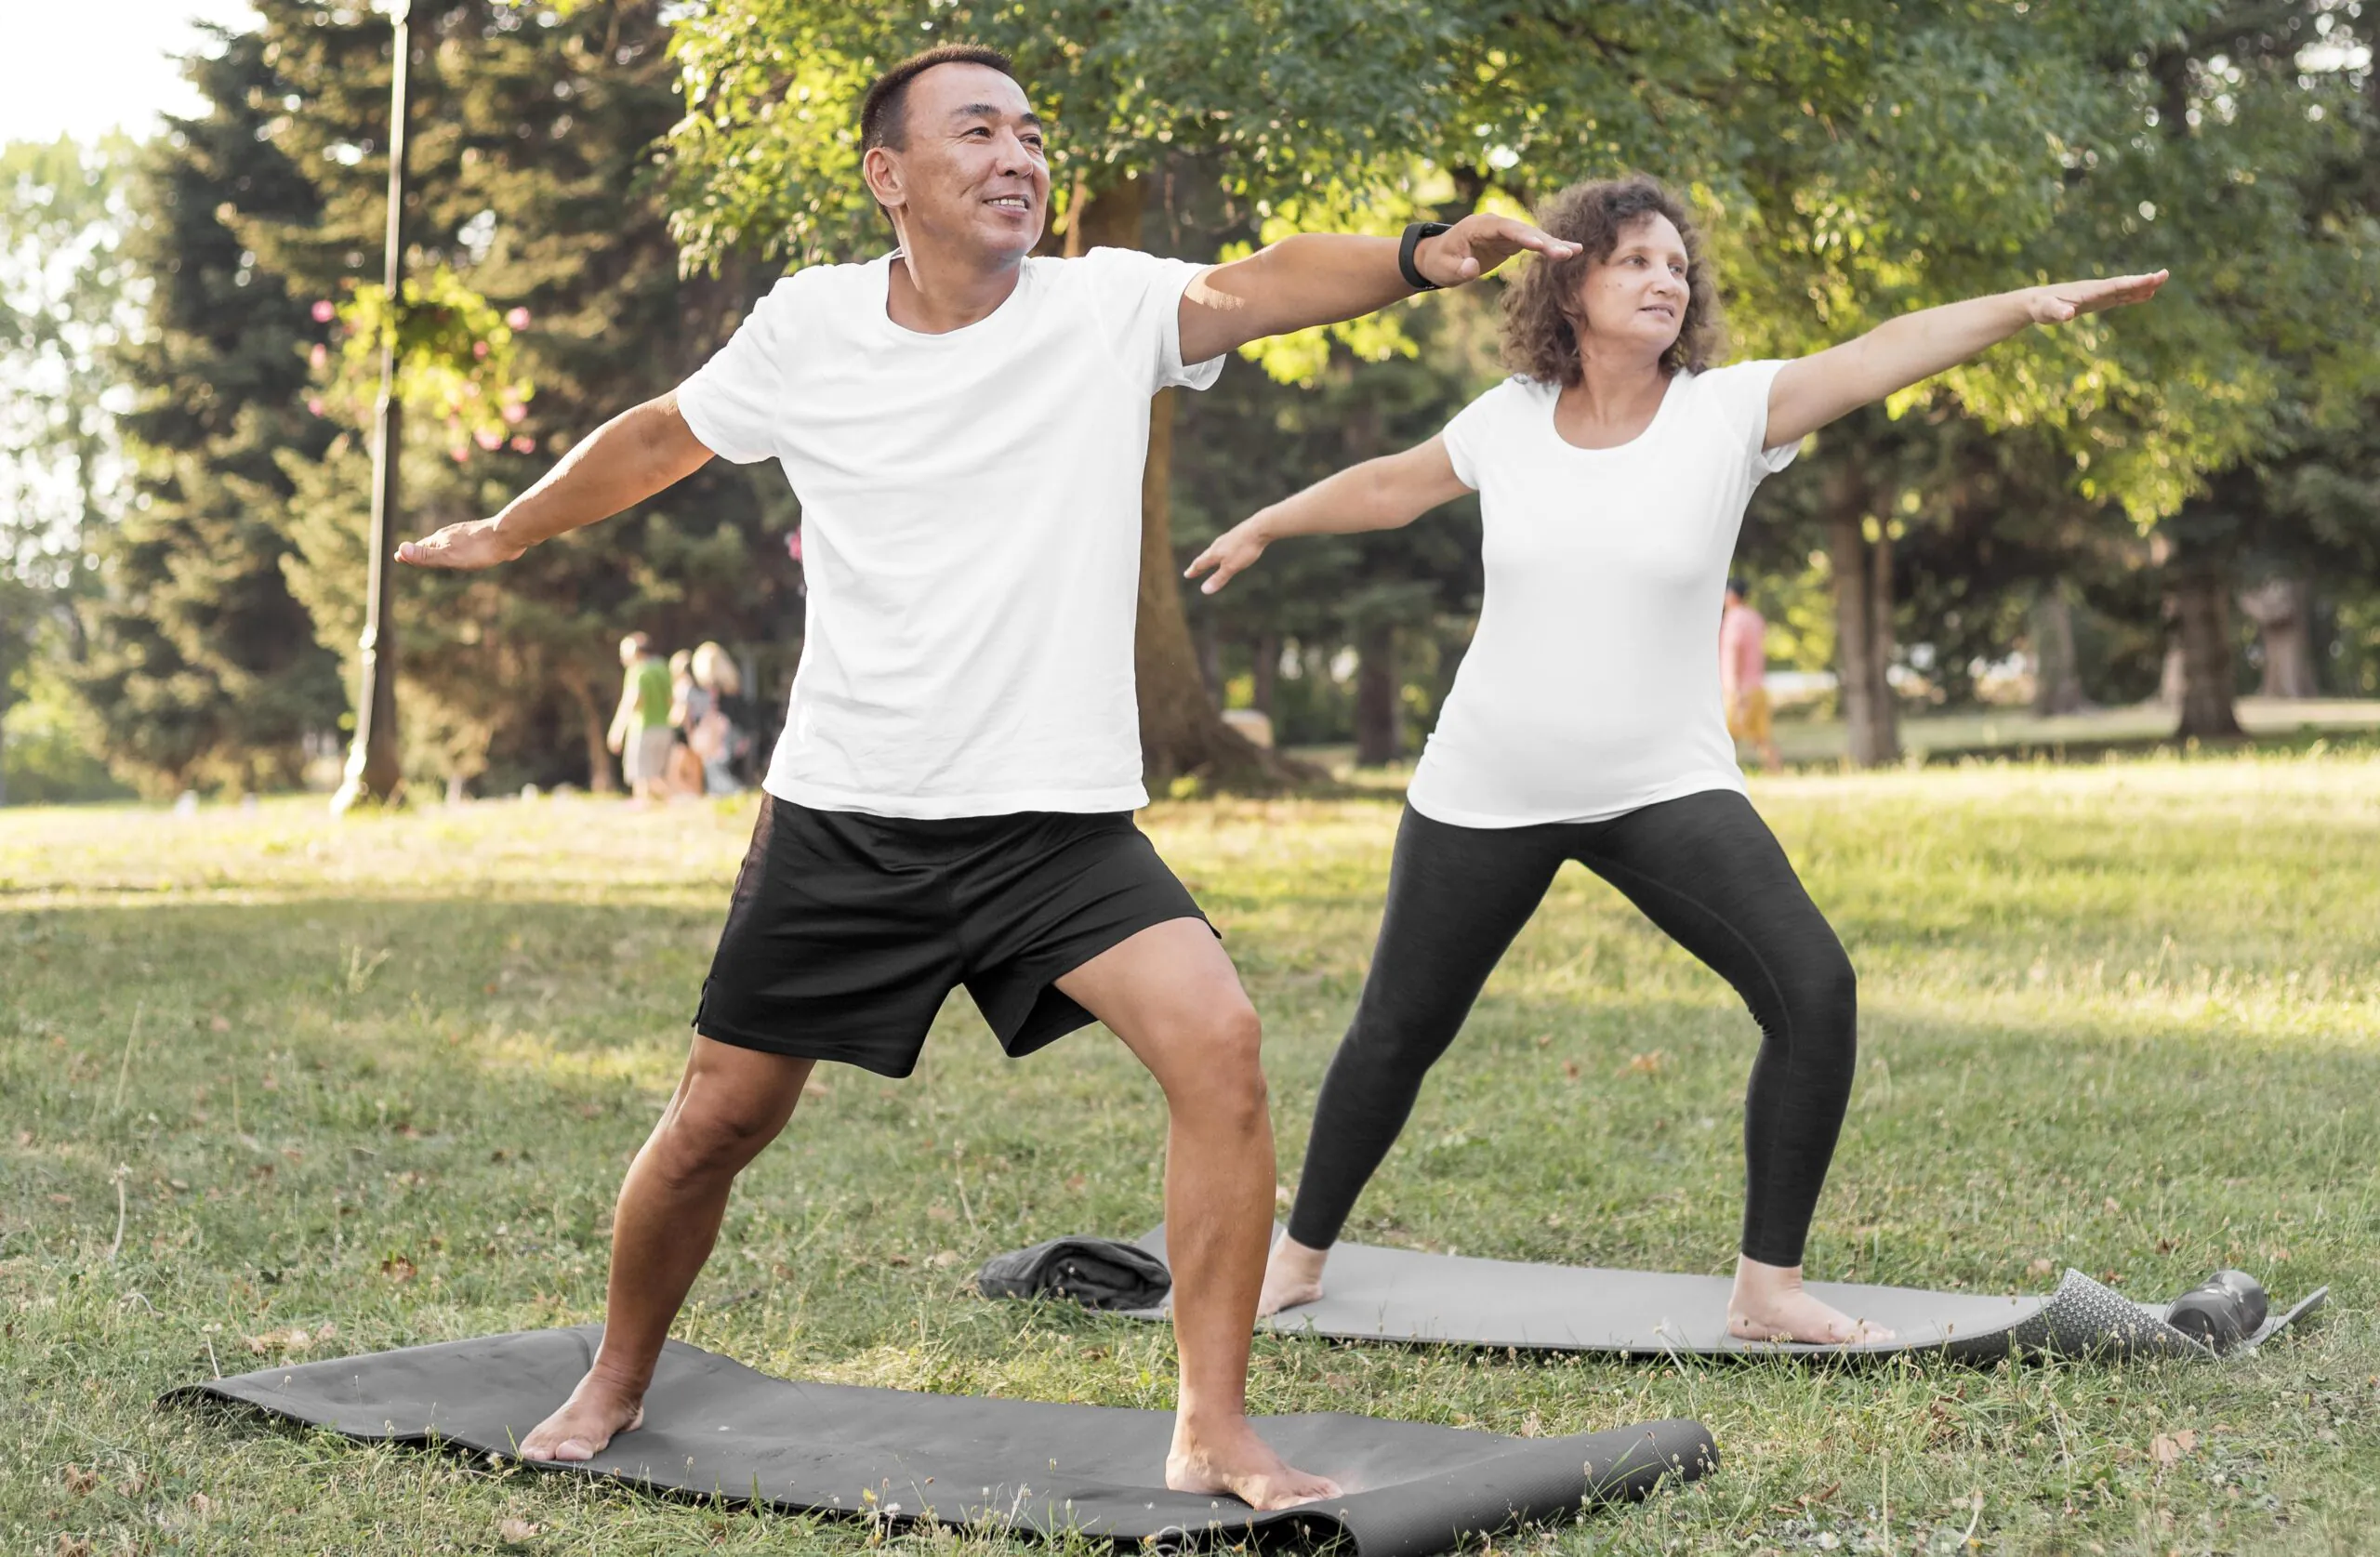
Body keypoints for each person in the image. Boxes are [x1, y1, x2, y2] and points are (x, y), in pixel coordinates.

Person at [393, 44, 1577, 1507]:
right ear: (891, 177)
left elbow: (1257, 283)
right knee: (719, 1118)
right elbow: (657, 439)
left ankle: (1212, 1419)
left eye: (1030, 132)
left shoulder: (1100, 305)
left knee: (1219, 1042)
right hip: (849, 814)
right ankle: (620, 1370)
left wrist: (1419, 255)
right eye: (979, 131)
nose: (1019, 154)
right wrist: (511, 529)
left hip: (1052, 825)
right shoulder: (810, 324)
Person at [1186, 174, 2162, 1345]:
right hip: (1487, 783)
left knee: (1812, 991)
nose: (1666, 280)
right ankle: (1296, 1257)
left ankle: (1768, 1288)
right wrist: (1265, 522)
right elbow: (1394, 485)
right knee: (1396, 1028)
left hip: (1662, 785)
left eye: (1676, 266)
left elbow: (1883, 351)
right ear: (1570, 280)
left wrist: (2022, 304)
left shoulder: (1730, 413)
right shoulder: (1506, 419)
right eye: (1636, 260)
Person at [1720, 577, 1781, 773]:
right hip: (1757, 686)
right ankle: (1776, 771)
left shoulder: (1734, 619)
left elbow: (1735, 651)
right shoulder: (1755, 617)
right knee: (1762, 738)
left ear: (1732, 595)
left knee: (1725, 738)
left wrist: (1735, 688)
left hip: (1739, 688)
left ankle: (1724, 775)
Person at [605, 633, 673, 802]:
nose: (622, 658)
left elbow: (633, 701)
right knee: (657, 775)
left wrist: (618, 730)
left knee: (641, 776)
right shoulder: (662, 668)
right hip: (664, 727)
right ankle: (671, 802)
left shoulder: (637, 670)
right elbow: (671, 699)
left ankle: (645, 804)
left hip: (643, 727)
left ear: (635, 652)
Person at [689, 640, 747, 796]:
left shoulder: (709, 689)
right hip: (734, 729)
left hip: (718, 732)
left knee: (714, 765)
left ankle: (732, 791)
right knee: (721, 765)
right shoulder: (732, 683)